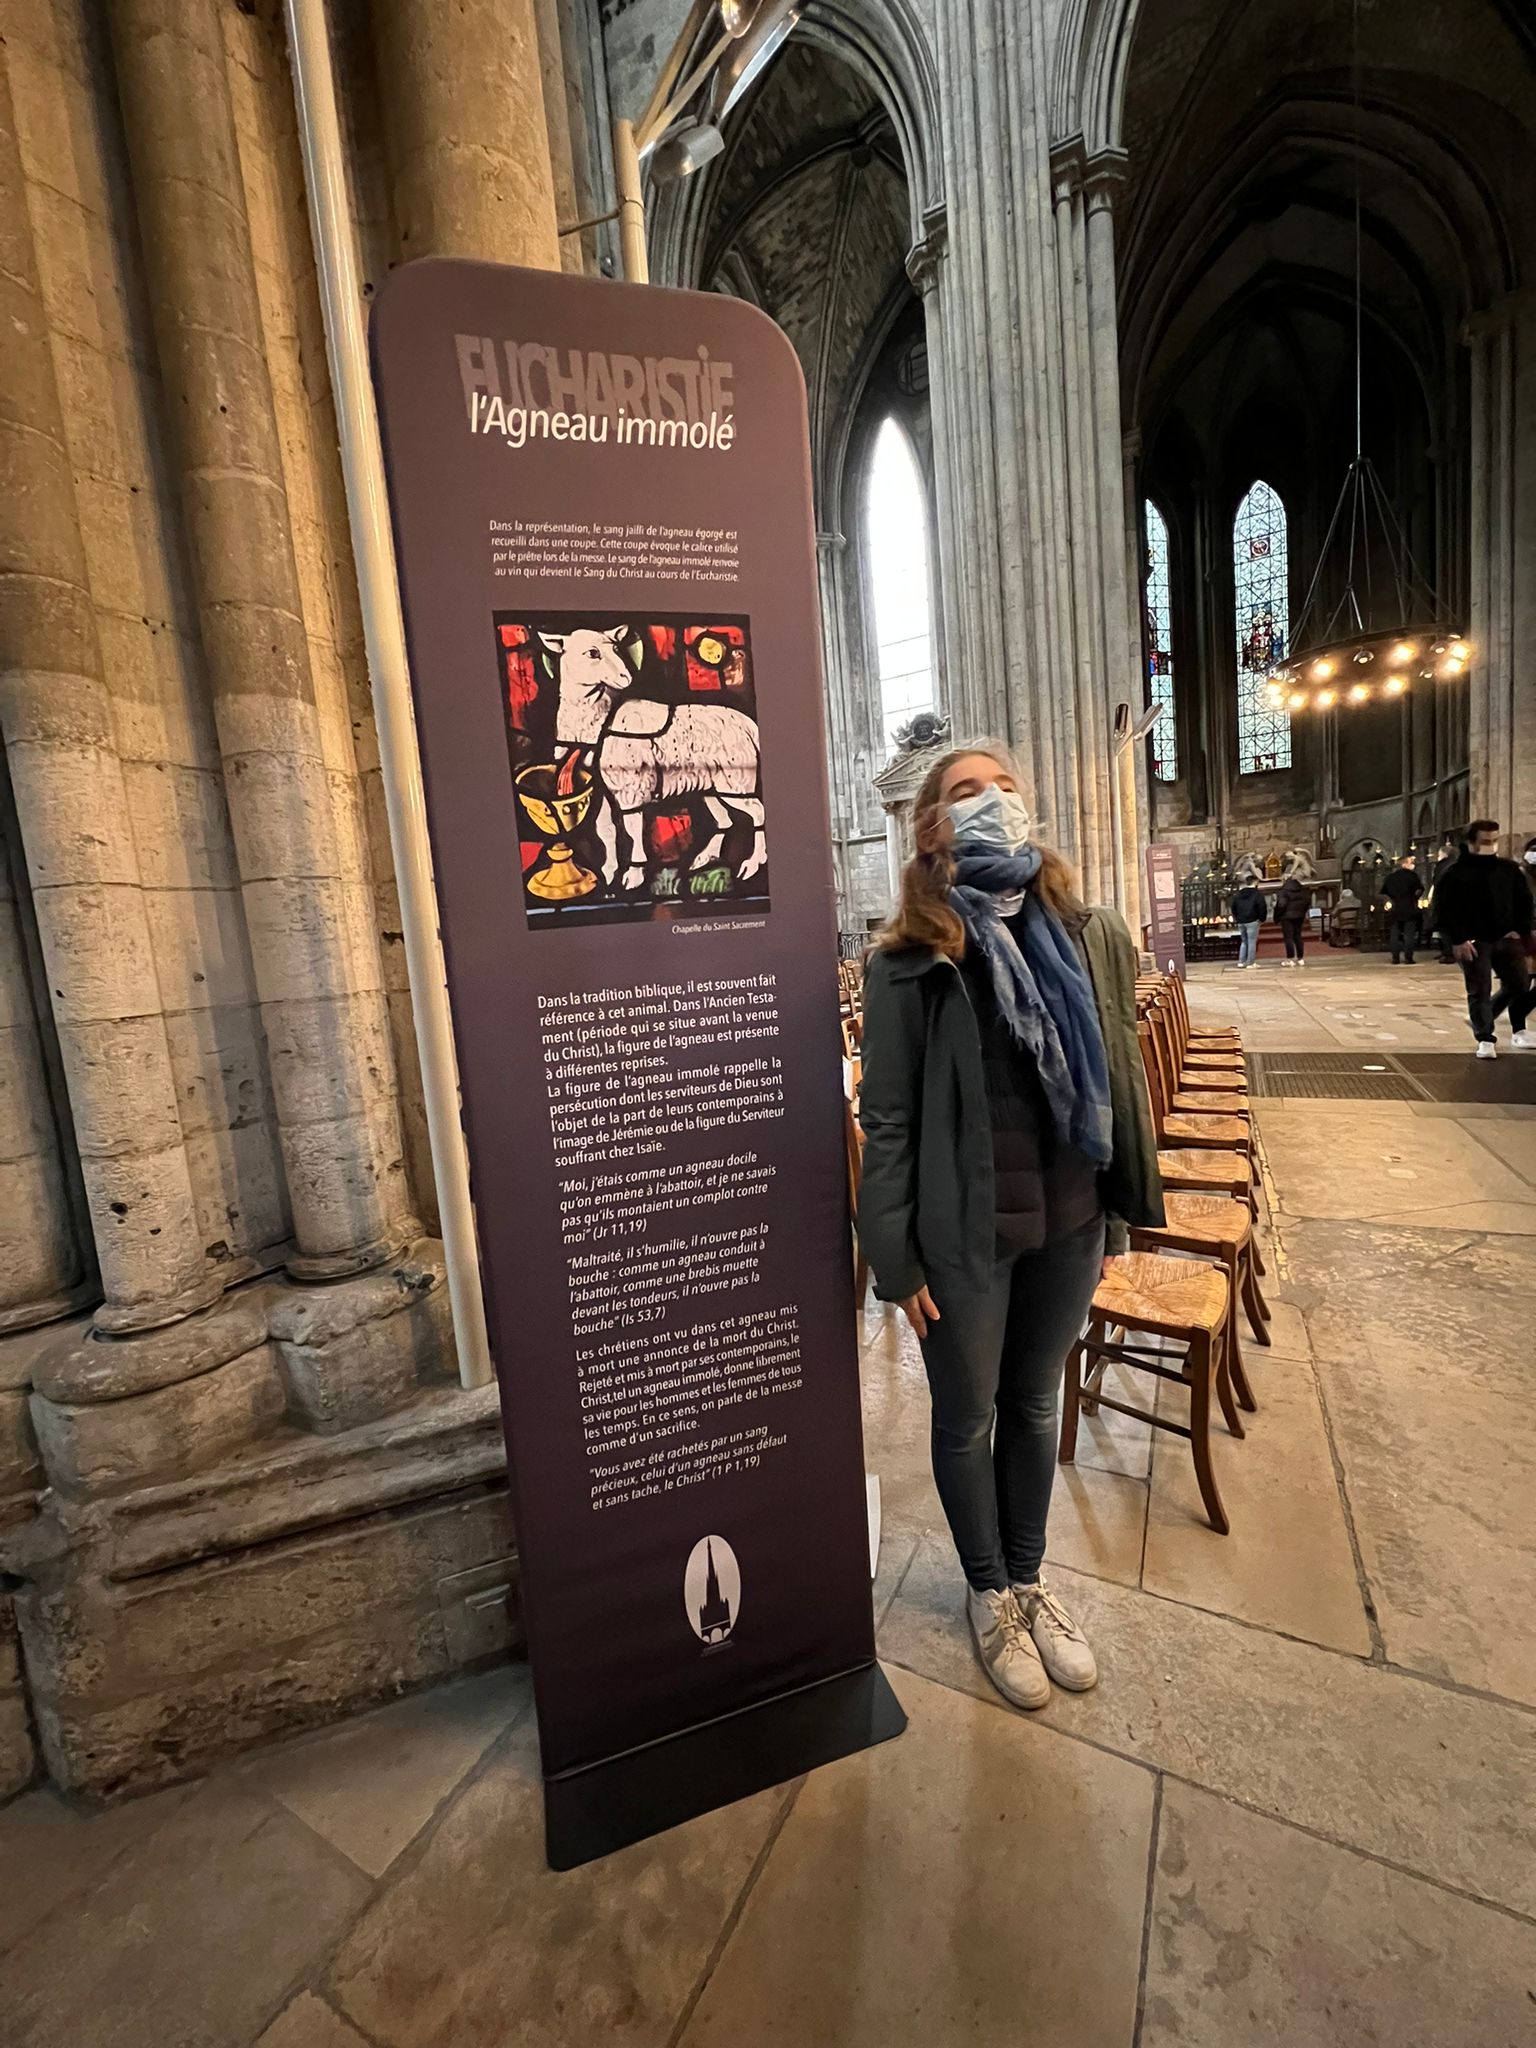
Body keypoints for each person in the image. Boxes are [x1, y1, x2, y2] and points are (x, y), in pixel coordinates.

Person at [858, 745, 1165, 1711]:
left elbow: (1117, 1075)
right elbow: (888, 1122)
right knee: (967, 1416)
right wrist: (895, 1258)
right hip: (967, 1231)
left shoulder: (1082, 931)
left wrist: (1119, 1213)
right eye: (966, 791)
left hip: (1069, 1216)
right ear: (933, 826)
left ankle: (1030, 1581)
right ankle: (988, 1593)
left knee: (1035, 1405)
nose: (993, 800)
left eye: (1005, 786)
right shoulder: (908, 963)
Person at [1429, 820, 1535, 1059]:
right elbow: (1443, 910)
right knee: (1479, 988)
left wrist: (1521, 930)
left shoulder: (1508, 869)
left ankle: (1489, 1015)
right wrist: (1457, 940)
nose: (1491, 845)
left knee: (1519, 983)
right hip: (1473, 940)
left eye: (1495, 840)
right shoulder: (1454, 873)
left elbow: (1524, 901)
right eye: (1486, 841)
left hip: (1506, 937)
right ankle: (1485, 1038)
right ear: (1471, 842)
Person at [1380, 854, 1424, 965]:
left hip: (1395, 907)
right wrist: (1415, 898)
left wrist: (1389, 903)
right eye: (1410, 863)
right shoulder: (1412, 876)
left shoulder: (1390, 877)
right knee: (1409, 934)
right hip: (1409, 906)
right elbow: (1419, 889)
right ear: (1404, 864)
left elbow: (1384, 893)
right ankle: (1408, 958)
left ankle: (1395, 958)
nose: (1413, 865)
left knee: (1394, 934)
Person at [1430, 834, 1460, 962]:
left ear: (1444, 855)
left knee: (1445, 929)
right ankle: (1449, 951)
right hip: (1456, 901)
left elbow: (1438, 883)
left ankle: (1448, 953)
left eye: (1439, 855)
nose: (1438, 857)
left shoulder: (1443, 866)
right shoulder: (1457, 864)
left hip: (1445, 901)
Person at [1230, 879, 1267, 969]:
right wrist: (1262, 919)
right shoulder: (1257, 894)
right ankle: (1250, 962)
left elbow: (1233, 907)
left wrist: (1237, 918)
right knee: (1252, 941)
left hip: (1241, 920)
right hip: (1252, 920)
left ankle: (1241, 961)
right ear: (1255, 883)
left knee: (1244, 941)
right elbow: (1262, 907)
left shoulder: (1238, 894)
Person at [1275, 872, 1309, 965]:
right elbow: (1307, 902)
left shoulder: (1283, 891)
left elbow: (1281, 905)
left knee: (1288, 937)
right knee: (1298, 936)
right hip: (1299, 916)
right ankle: (1300, 958)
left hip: (1286, 917)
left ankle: (1290, 959)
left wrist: (1277, 916)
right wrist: (1302, 912)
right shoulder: (1302, 889)